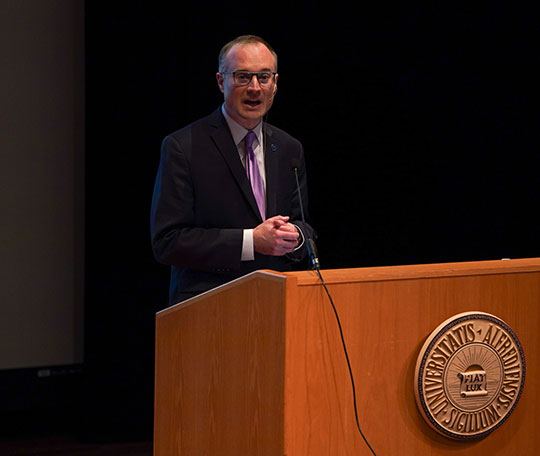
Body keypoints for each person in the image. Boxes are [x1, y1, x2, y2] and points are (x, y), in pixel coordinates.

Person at [150, 35, 315, 306]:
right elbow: (168, 242)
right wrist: (252, 241)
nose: (254, 88)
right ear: (220, 81)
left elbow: (301, 223)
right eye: (242, 77)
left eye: (263, 77)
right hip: (208, 307)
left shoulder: (289, 148)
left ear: (275, 84)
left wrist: (296, 237)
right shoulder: (183, 147)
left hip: (276, 304)